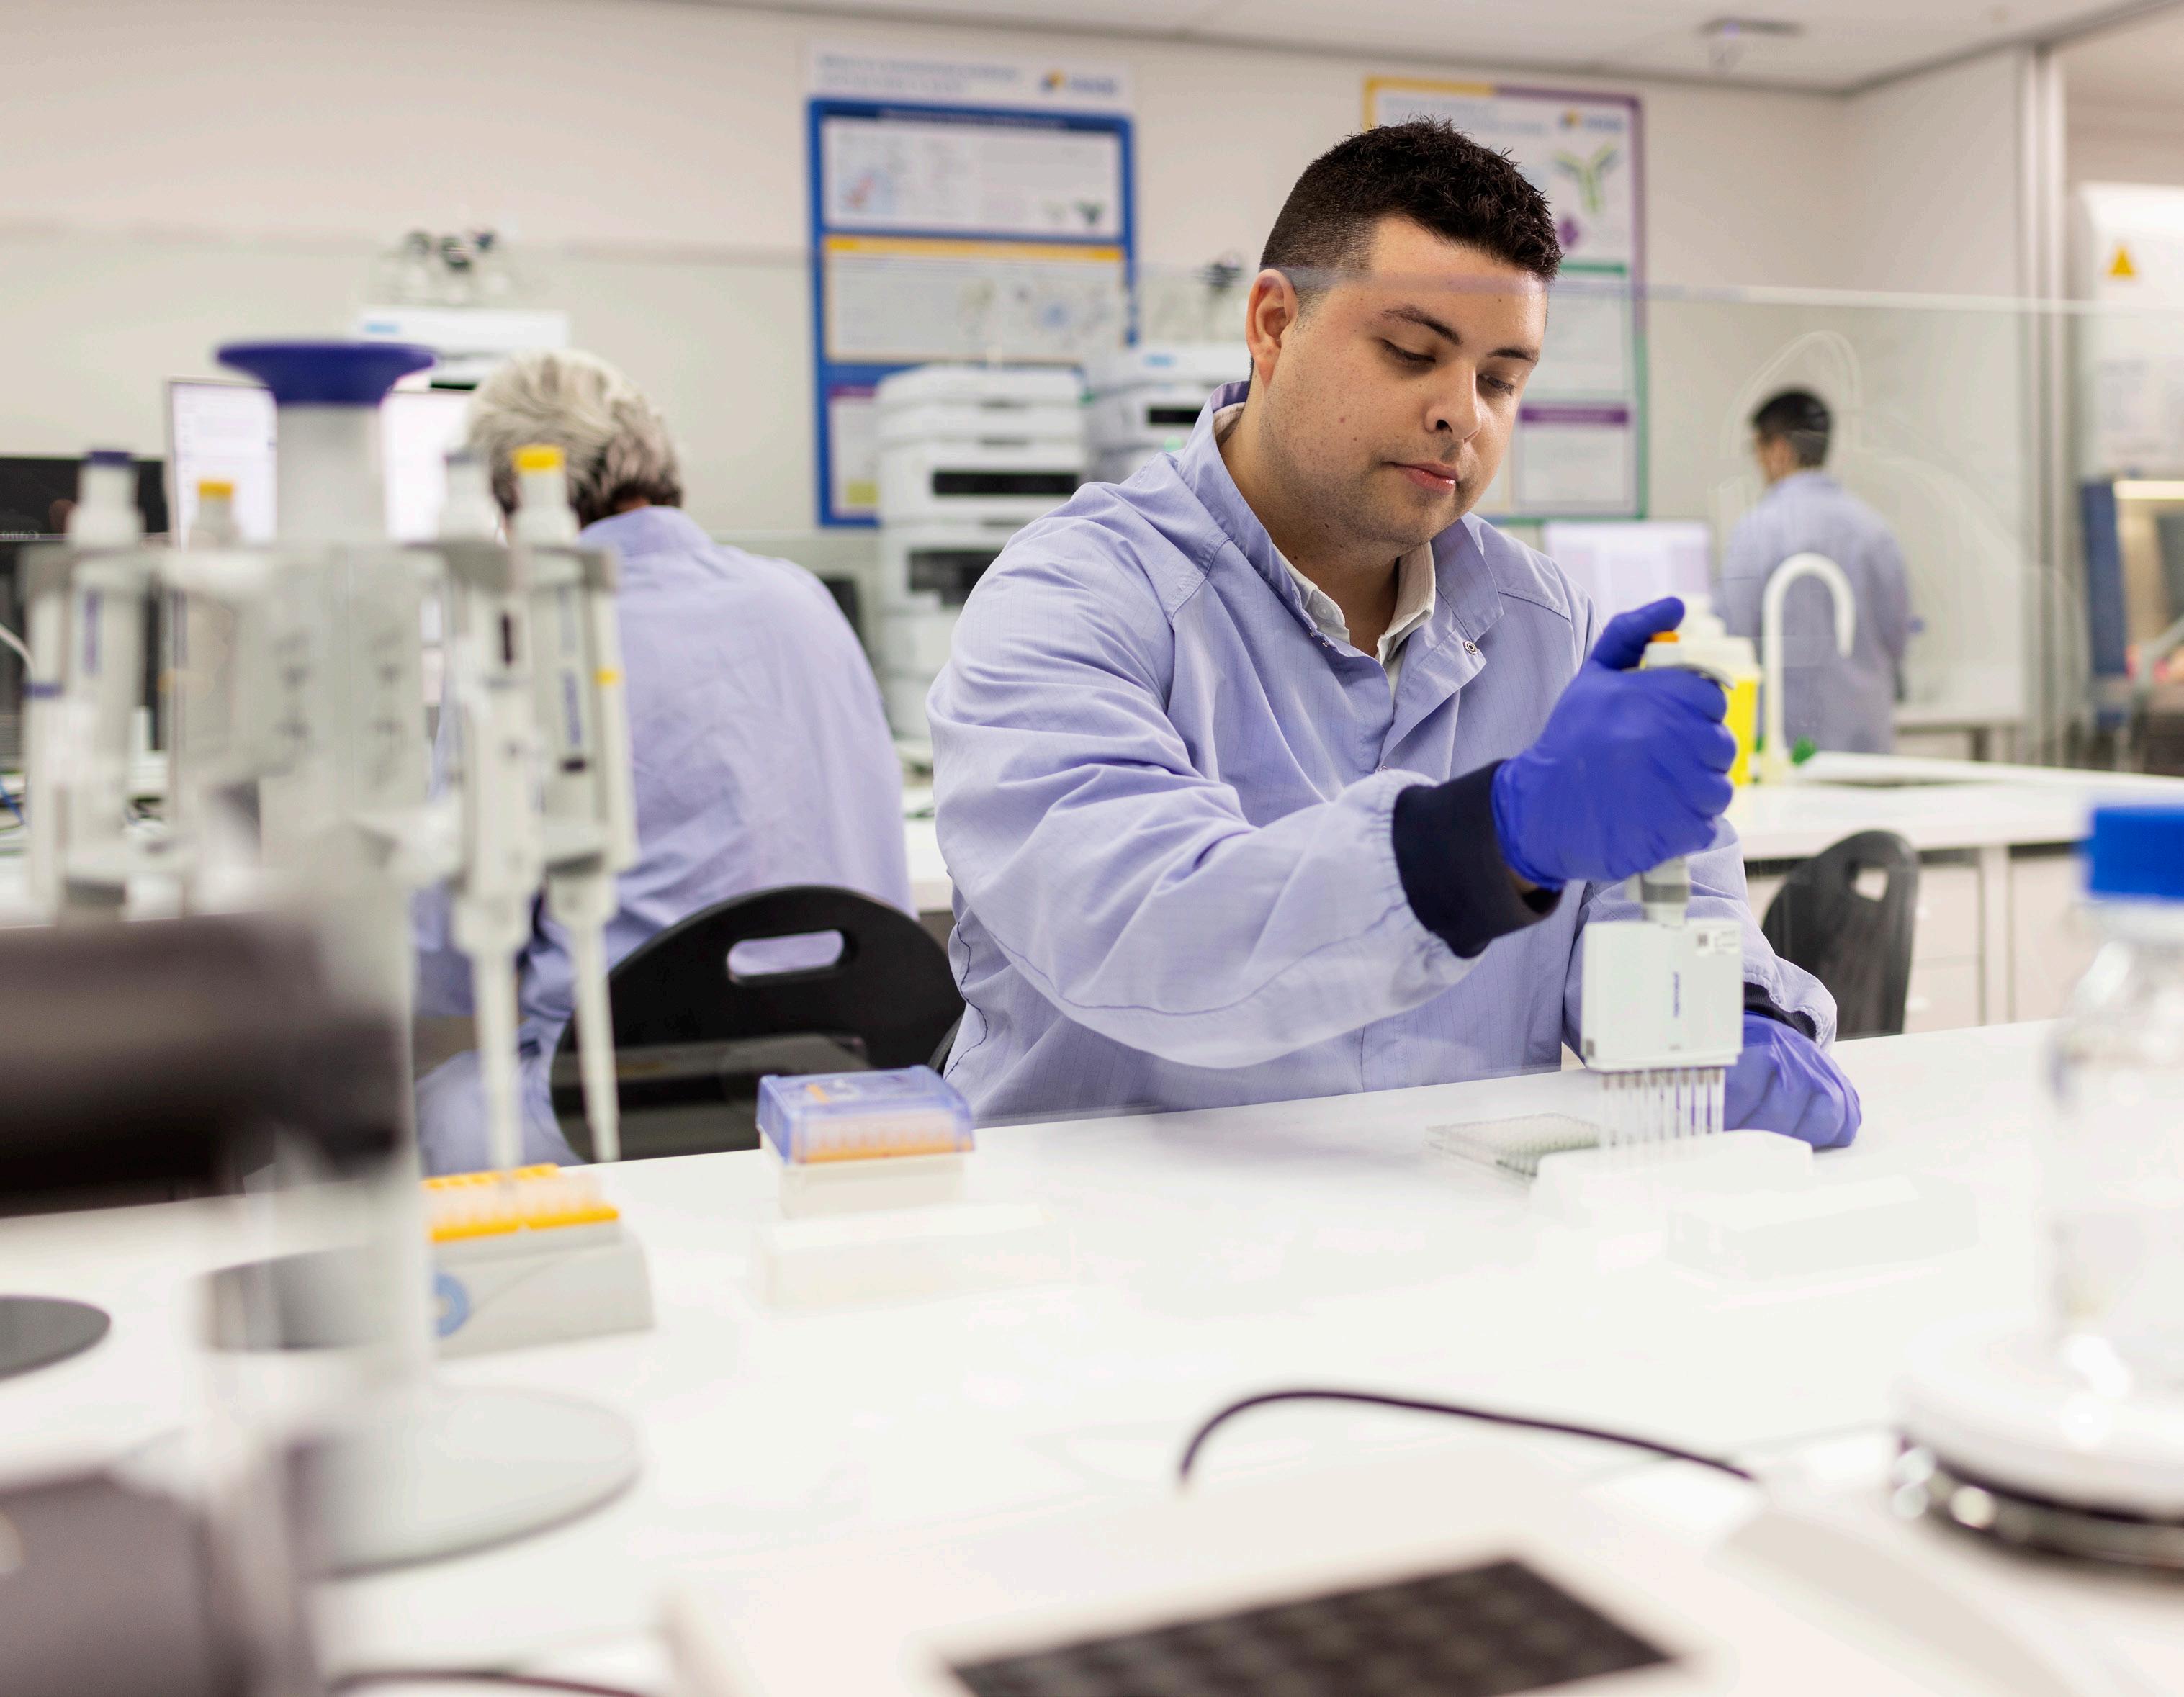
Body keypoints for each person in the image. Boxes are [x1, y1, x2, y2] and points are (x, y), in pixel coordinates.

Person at [927, 121, 1859, 1148]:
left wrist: (1732, 1011)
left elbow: (1660, 902)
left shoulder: (1550, 629)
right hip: (1105, 1228)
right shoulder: (1072, 598)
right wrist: (1479, 846)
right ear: (1273, 325)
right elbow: (1144, 928)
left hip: (1450, 1223)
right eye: (1412, 354)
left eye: (1501, 379)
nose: (1463, 415)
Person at [412, 350, 912, 1172]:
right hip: (845, 1083)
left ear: (509, 505)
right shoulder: (803, 599)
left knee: (431, 1109)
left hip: (626, 1103)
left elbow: (455, 968)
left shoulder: (516, 640)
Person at [1718, 389, 1911, 755]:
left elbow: (1732, 636)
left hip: (1789, 750)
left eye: (1757, 449)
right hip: (1868, 746)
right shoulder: (1874, 529)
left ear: (1779, 450)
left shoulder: (1758, 529)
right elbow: (1897, 637)